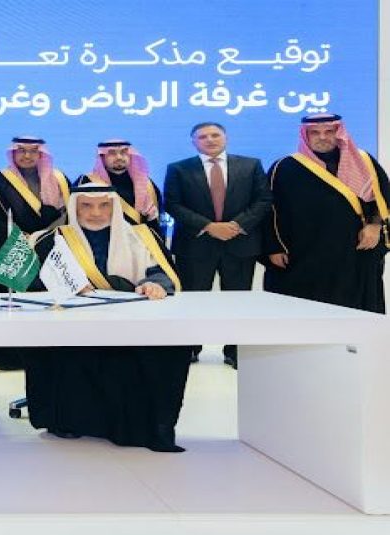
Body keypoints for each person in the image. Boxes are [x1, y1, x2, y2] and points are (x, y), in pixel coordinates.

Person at [25, 184, 189, 452]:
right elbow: (33, 283)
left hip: (130, 324)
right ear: (74, 208)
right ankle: (70, 422)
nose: (96, 213)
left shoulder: (140, 236)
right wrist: (65, 287)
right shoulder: (51, 240)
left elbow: (161, 273)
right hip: (72, 326)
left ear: (115, 207)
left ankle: (143, 427)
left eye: (104, 205)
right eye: (86, 206)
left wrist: (153, 284)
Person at [164, 122, 271, 369]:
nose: (210, 140)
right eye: (203, 137)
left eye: (215, 135)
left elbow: (263, 199)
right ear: (194, 142)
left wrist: (236, 225)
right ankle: (189, 349)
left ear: (226, 138)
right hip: (195, 245)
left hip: (240, 244)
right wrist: (209, 226)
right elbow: (172, 204)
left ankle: (234, 351)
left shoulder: (251, 165)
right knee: (192, 301)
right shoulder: (178, 168)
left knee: (238, 301)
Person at [263, 114, 390, 313]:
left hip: (355, 250)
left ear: (338, 133)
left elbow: (382, 197)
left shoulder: (363, 161)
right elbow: (269, 210)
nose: (322, 137)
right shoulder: (284, 167)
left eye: (329, 131)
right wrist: (275, 247)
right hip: (305, 254)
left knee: (357, 310)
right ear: (305, 135)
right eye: (315, 132)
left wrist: (374, 226)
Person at [0, 135, 71, 370]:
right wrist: (21, 238)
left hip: (50, 250)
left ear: (41, 154)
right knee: (6, 306)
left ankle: (49, 355)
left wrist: (43, 237)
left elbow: (69, 215)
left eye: (33, 151)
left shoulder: (59, 179)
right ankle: (5, 357)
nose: (27, 156)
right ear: (13, 153)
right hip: (9, 250)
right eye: (21, 151)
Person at [75, 139, 163, 234]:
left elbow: (155, 220)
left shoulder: (146, 184)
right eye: (112, 153)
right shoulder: (86, 182)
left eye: (124, 152)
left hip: (139, 239)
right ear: (102, 157)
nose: (119, 157)